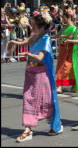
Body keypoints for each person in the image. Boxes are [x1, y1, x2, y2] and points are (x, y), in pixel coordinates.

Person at [8, 12, 63, 142]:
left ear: (43, 27)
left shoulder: (46, 39)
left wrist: (28, 54)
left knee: (46, 101)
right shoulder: (36, 35)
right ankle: (28, 129)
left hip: (41, 74)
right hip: (30, 72)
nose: (31, 27)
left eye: (33, 25)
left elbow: (40, 57)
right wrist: (13, 42)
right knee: (28, 99)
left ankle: (56, 124)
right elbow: (25, 42)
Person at [51, 11, 78, 94]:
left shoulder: (74, 28)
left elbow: (70, 36)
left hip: (71, 51)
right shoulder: (64, 27)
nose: (63, 20)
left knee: (70, 68)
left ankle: (73, 85)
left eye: (64, 18)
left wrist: (62, 36)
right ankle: (59, 86)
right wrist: (50, 37)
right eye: (62, 18)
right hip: (63, 49)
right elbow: (58, 35)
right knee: (61, 67)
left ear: (69, 18)